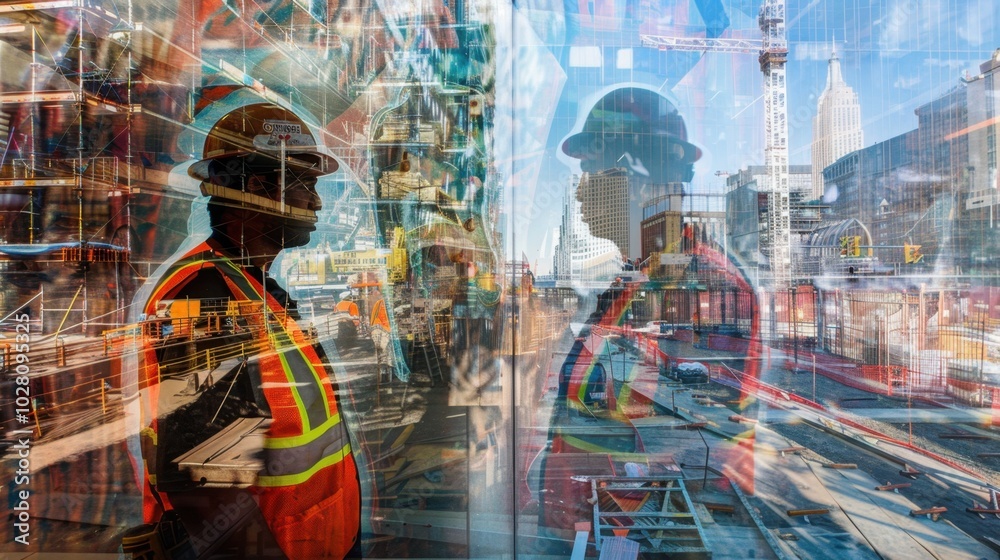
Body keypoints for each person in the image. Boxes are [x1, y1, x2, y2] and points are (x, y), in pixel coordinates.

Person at [121, 102, 361, 559]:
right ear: (256, 187)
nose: (317, 201)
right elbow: (207, 493)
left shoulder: (255, 288)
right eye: (305, 184)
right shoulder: (206, 299)